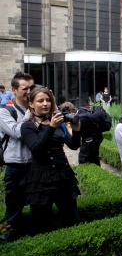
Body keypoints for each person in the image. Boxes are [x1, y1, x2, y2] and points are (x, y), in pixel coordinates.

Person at [20, 86, 81, 234]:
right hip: (41, 178)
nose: (45, 103)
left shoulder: (58, 122)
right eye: (40, 101)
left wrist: (77, 130)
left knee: (72, 219)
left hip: (63, 175)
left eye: (48, 100)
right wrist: (51, 127)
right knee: (41, 224)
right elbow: (36, 149)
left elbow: (73, 145)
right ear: (31, 104)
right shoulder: (27, 126)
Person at [0, 72, 34, 242]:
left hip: (34, 166)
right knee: (13, 210)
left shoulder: (36, 108)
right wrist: (30, 115)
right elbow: (16, 132)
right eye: (24, 88)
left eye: (31, 88)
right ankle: (3, 239)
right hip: (15, 167)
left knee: (38, 206)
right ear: (14, 90)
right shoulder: (5, 112)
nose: (29, 91)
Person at [58, 102, 111, 166]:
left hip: (90, 141)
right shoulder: (82, 111)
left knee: (83, 160)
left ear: (70, 112)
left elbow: (74, 138)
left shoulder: (80, 119)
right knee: (94, 158)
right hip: (96, 137)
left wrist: (67, 126)